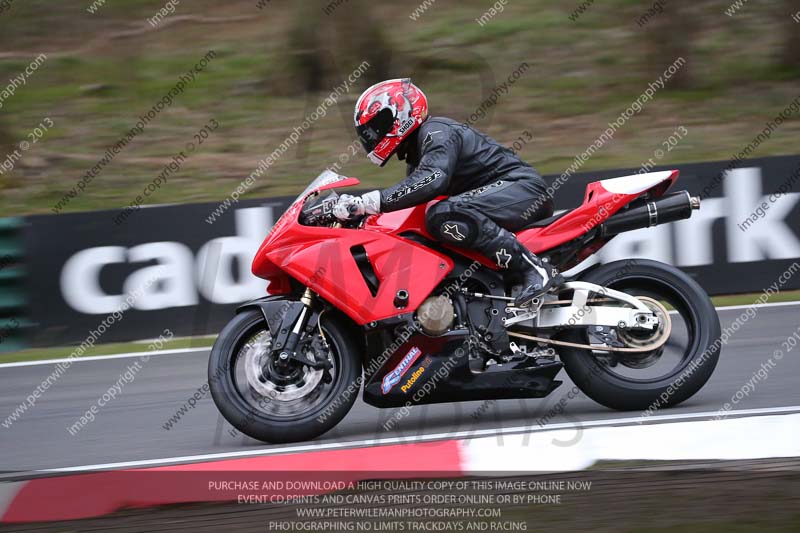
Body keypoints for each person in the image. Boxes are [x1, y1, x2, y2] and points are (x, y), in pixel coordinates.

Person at [333, 78, 561, 307]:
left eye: (376, 126)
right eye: (368, 132)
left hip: (522, 189)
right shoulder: (417, 157)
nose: (372, 136)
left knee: (443, 214)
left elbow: (433, 180)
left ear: (400, 113)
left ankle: (535, 269)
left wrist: (367, 202)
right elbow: (412, 201)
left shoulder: (436, 132)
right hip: (498, 199)